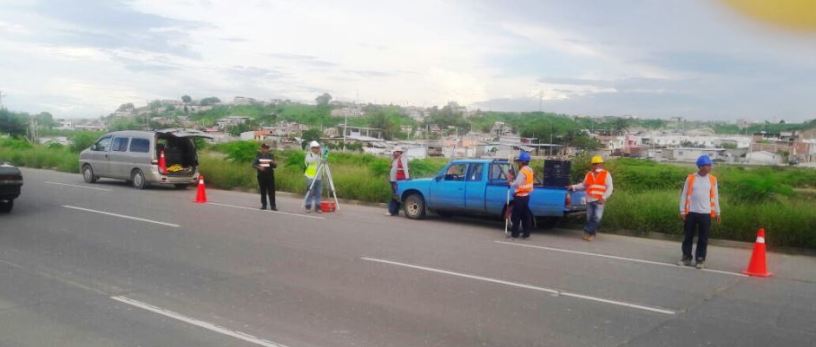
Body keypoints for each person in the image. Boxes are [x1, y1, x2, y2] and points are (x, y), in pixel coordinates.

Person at [678, 155, 720, 269]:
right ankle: (686, 257)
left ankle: (700, 259)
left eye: (710, 165)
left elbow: (715, 196)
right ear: (701, 166)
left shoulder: (712, 179)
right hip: (691, 212)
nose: (710, 167)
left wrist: (717, 211)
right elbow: (684, 194)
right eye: (708, 165)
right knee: (688, 236)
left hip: (705, 213)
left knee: (703, 238)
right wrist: (682, 210)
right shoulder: (691, 178)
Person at [567, 155, 613, 241]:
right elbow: (583, 185)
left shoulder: (606, 174)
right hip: (589, 199)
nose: (598, 165)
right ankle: (591, 234)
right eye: (595, 164)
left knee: (597, 218)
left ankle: (587, 230)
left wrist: (604, 197)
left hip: (599, 200)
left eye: (599, 164)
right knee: (589, 218)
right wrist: (573, 187)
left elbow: (610, 187)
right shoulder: (589, 174)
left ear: (601, 165)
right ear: (593, 165)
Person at [508, 151, 534, 239]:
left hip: (520, 196)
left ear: (522, 162)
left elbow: (517, 183)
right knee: (525, 216)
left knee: (516, 216)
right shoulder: (530, 170)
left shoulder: (522, 171)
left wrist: (511, 183)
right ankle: (526, 234)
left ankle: (515, 234)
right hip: (526, 196)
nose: (518, 163)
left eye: (519, 161)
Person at [253, 143, 277, 210]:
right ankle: (264, 205)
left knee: (271, 191)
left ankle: (273, 206)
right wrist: (259, 167)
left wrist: (273, 162)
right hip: (261, 175)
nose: (265, 149)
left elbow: (275, 166)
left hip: (270, 175)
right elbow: (253, 164)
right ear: (262, 149)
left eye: (267, 148)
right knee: (263, 191)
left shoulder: (271, 155)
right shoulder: (258, 155)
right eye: (264, 148)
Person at [387, 146, 410, 216]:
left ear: (399, 152)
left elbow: (406, 169)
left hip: (398, 180)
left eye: (395, 152)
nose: (394, 153)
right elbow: (392, 168)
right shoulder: (395, 159)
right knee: (396, 195)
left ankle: (391, 211)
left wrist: (407, 178)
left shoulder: (402, 159)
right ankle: (395, 211)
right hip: (393, 180)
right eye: (394, 152)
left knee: (395, 195)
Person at [304, 141, 323, 213]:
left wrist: (321, 156)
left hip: (319, 176)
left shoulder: (320, 155)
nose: (317, 149)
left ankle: (318, 207)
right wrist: (317, 155)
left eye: (318, 148)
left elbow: (322, 163)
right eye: (315, 148)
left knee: (319, 192)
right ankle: (308, 206)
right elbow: (310, 162)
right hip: (310, 176)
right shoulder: (309, 155)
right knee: (310, 192)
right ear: (311, 148)